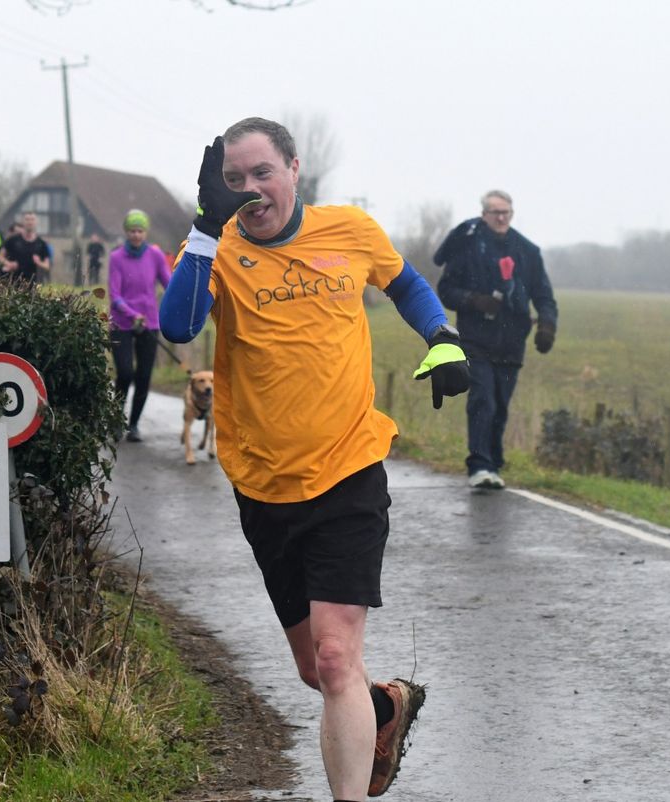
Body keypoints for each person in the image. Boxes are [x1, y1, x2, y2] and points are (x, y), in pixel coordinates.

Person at [159, 117, 470, 802]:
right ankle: (384, 706)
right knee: (316, 670)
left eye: (262, 173)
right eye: (234, 180)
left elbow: (406, 284)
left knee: (334, 658)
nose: (250, 190)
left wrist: (442, 337)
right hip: (263, 482)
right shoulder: (216, 247)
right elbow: (178, 325)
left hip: (349, 468)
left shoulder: (349, 230)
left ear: (294, 170)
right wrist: (206, 228)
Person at [434, 190, 558, 490]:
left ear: (511, 214)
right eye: (495, 213)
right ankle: (479, 465)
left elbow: (543, 294)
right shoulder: (467, 247)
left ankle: (493, 464)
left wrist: (547, 325)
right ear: (484, 215)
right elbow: (446, 289)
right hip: (476, 339)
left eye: (506, 213)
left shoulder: (527, 250)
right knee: (483, 400)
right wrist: (474, 300)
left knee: (500, 405)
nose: (501, 218)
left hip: (512, 340)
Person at [109, 209, 172, 443]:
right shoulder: (116, 258)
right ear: (126, 232)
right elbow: (114, 295)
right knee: (125, 373)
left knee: (144, 376)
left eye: (140, 231)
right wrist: (132, 314)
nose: (136, 235)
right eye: (132, 231)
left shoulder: (155, 255)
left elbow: (168, 283)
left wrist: (180, 300)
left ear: (145, 232)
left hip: (149, 322)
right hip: (122, 322)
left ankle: (133, 425)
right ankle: (116, 420)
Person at [0, 211, 50, 284]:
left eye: (32, 219)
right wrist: (8, 264)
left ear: (36, 222)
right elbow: (0, 257)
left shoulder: (41, 244)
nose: (30, 222)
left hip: (31, 283)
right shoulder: (13, 240)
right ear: (23, 222)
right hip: (12, 282)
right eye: (27, 219)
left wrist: (39, 262)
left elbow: (47, 266)